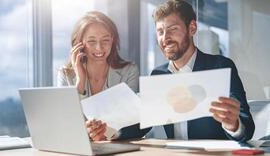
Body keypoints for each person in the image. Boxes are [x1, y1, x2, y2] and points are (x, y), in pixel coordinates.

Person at [147, 0, 255, 142]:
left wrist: (233, 125)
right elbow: (143, 123)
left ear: (192, 28)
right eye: (160, 31)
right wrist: (114, 130)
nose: (165, 38)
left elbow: (247, 128)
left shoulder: (220, 67)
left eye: (173, 29)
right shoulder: (158, 75)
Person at [57, 11, 141, 141]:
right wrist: (80, 81)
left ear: (113, 40)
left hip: (117, 147)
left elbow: (130, 122)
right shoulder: (65, 75)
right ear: (79, 44)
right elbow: (65, 121)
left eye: (105, 40)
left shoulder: (129, 71)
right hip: (79, 149)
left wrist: (107, 133)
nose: (99, 48)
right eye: (91, 41)